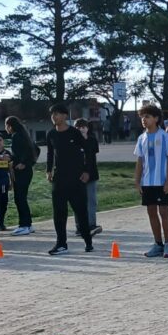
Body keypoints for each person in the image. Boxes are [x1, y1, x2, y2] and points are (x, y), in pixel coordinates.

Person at [46, 103, 93, 255]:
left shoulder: (74, 133)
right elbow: (50, 154)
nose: (54, 117)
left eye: (57, 114)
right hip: (59, 179)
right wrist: (48, 170)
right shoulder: (51, 134)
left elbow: (88, 152)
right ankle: (61, 244)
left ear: (65, 115)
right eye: (52, 114)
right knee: (59, 213)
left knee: (80, 212)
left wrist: (87, 171)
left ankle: (88, 241)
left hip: (76, 179)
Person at [134, 103, 168, 257]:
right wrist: (137, 181)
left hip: (161, 181)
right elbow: (140, 160)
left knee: (163, 211)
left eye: (147, 116)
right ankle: (158, 244)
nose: (144, 120)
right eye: (142, 117)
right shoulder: (141, 138)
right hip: (147, 182)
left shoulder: (164, 136)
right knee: (151, 211)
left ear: (156, 118)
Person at [7, 116, 38, 236]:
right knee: (22, 198)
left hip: (22, 172)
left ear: (10, 126)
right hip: (26, 171)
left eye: (7, 125)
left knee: (19, 198)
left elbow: (27, 152)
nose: (6, 128)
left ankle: (24, 225)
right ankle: (28, 224)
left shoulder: (16, 136)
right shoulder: (25, 136)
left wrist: (24, 163)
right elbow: (35, 149)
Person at [72, 118, 102, 238]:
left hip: (91, 174)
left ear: (87, 128)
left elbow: (92, 155)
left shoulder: (92, 140)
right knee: (78, 201)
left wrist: (85, 140)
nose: (81, 129)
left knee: (91, 201)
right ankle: (79, 226)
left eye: (83, 127)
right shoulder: (72, 141)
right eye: (78, 127)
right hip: (77, 176)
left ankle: (91, 224)